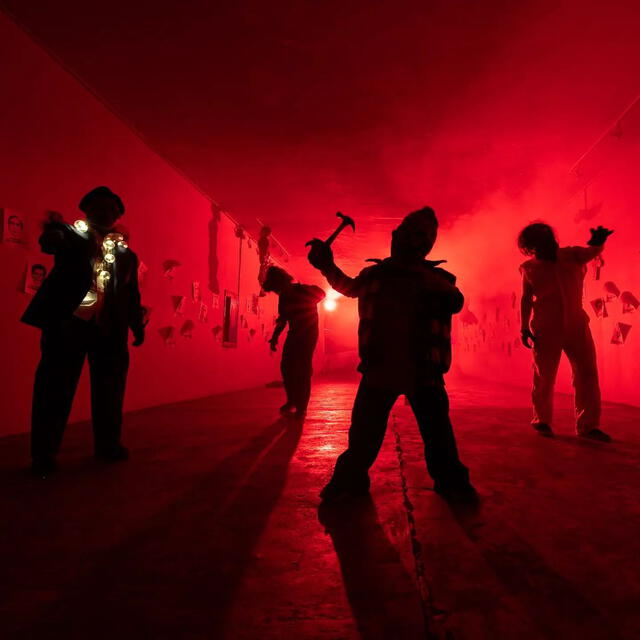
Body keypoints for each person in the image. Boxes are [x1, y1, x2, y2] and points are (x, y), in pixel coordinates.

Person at [307, 206, 474, 502]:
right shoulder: (376, 275)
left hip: (424, 370)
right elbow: (348, 287)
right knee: (364, 435)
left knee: (438, 437)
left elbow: (455, 302)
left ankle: (451, 482)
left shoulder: (440, 279)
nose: (411, 239)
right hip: (380, 367)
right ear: (396, 235)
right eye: (407, 231)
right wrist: (326, 267)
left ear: (428, 244)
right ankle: (351, 481)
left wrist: (419, 273)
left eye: (420, 235)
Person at [21, 187, 146, 475]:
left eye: (111, 208)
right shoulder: (70, 235)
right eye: (98, 206)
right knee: (54, 389)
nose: (106, 211)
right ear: (87, 210)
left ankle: (108, 445)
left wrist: (136, 325)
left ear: (118, 214)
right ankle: (44, 454)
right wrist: (53, 230)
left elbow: (131, 293)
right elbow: (51, 242)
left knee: (111, 390)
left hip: (109, 330)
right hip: (67, 325)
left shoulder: (127, 255)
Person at [518, 222, 614, 441]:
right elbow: (526, 298)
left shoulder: (572, 255)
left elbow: (591, 252)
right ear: (532, 247)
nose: (548, 244)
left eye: (548, 238)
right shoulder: (528, 268)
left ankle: (588, 425)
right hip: (546, 326)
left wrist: (598, 243)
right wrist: (524, 326)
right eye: (540, 241)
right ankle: (541, 420)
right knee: (544, 376)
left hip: (576, 324)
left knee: (587, 374)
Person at [262, 266, 325, 416]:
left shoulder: (303, 290)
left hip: (308, 335)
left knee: (303, 369)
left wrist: (308, 299)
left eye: (278, 288)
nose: (278, 292)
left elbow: (322, 293)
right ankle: (292, 400)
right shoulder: (283, 297)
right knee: (286, 367)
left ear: (283, 282)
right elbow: (282, 319)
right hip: (294, 333)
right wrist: (275, 337)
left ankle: (302, 407)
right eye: (276, 290)